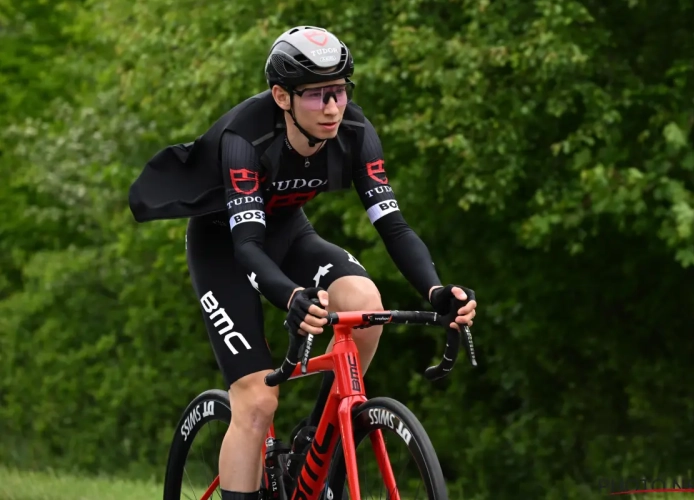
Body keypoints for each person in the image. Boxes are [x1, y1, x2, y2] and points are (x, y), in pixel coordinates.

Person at [128, 25, 477, 500]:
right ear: (281, 96)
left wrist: (436, 291)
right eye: (316, 96)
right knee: (257, 401)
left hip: (290, 232)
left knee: (365, 303)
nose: (333, 107)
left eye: (339, 92)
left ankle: (317, 442)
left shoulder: (355, 132)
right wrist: (291, 296)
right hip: (225, 245)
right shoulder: (245, 139)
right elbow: (247, 246)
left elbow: (393, 226)